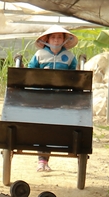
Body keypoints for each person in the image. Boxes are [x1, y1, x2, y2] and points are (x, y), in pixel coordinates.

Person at [27, 25, 78, 172]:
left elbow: (74, 77)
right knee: (43, 128)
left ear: (64, 40)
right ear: (47, 39)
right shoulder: (39, 55)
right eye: (53, 37)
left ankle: (50, 156)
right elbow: (30, 74)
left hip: (61, 100)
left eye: (59, 37)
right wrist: (42, 73)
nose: (56, 40)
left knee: (56, 129)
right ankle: (42, 160)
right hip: (41, 99)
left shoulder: (69, 57)